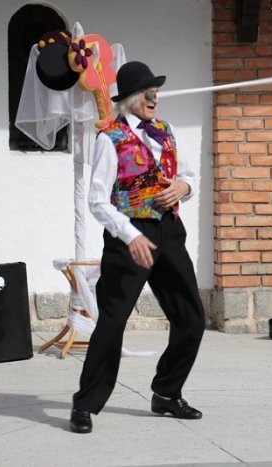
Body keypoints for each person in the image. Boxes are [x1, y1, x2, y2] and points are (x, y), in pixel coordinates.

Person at [69, 61, 205, 434]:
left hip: (169, 233)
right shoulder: (109, 138)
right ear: (131, 98)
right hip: (128, 236)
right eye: (148, 93)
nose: (155, 99)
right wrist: (131, 236)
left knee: (191, 317)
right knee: (112, 321)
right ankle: (85, 404)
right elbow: (98, 201)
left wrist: (183, 188)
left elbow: (188, 176)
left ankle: (167, 393)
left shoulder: (166, 131)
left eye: (156, 92)